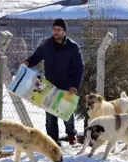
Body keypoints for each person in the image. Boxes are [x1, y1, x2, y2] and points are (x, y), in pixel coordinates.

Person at [23, 18, 84, 146]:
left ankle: (72, 137)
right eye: (54, 29)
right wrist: (28, 62)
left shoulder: (72, 47)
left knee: (67, 113)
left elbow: (79, 68)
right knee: (50, 117)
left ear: (64, 31)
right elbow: (36, 57)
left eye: (59, 30)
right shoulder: (46, 44)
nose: (56, 32)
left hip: (67, 85)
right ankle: (52, 141)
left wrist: (74, 85)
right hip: (49, 85)